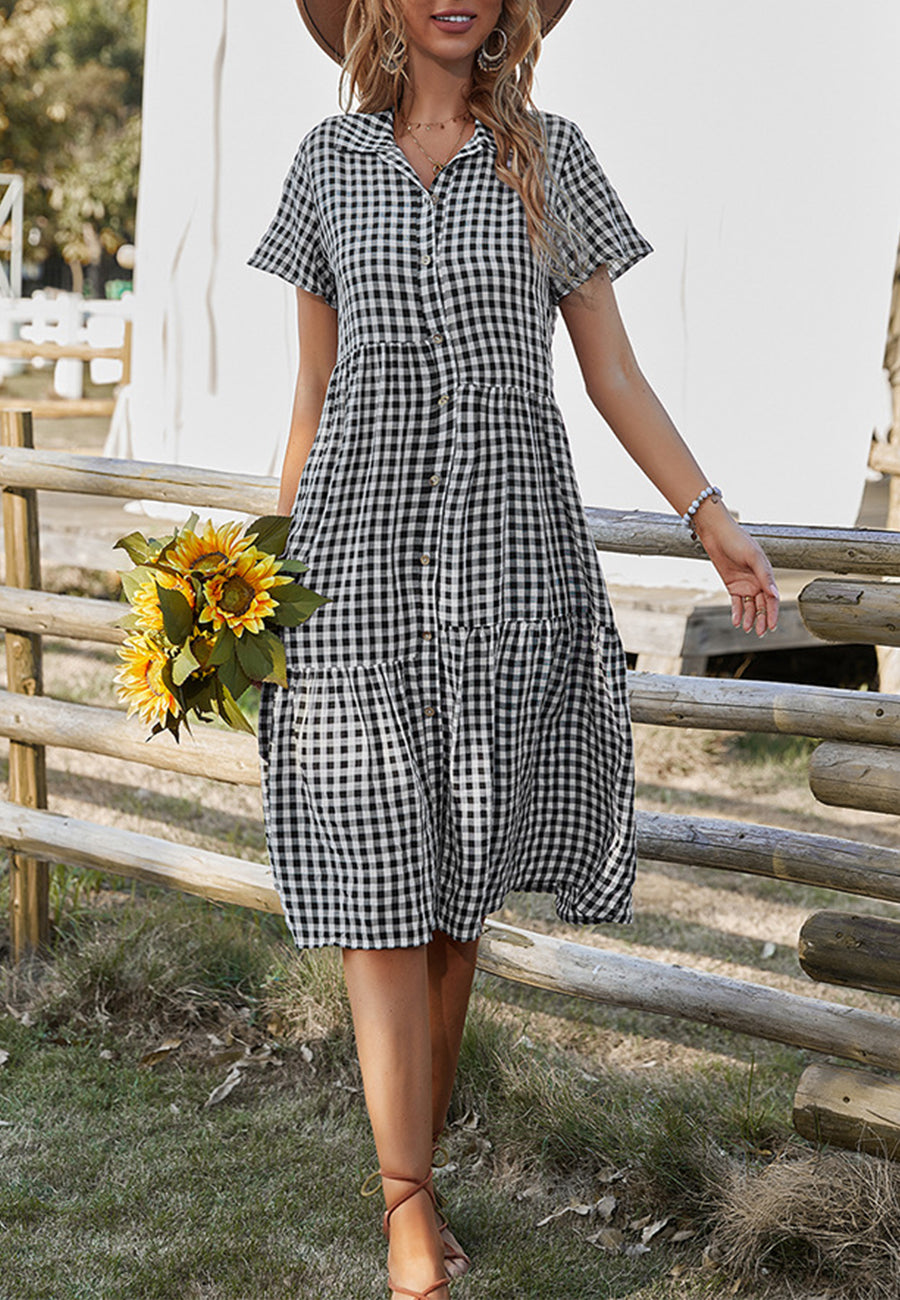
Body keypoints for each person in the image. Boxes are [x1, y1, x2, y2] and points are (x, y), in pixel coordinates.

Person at [246, 3, 781, 1296]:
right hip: (357, 563)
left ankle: (413, 1175)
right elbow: (312, 399)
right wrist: (256, 582)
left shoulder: (555, 157)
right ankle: (408, 1212)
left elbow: (613, 373)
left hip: (508, 562)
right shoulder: (328, 166)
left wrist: (710, 515)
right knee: (379, 886)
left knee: (452, 902)